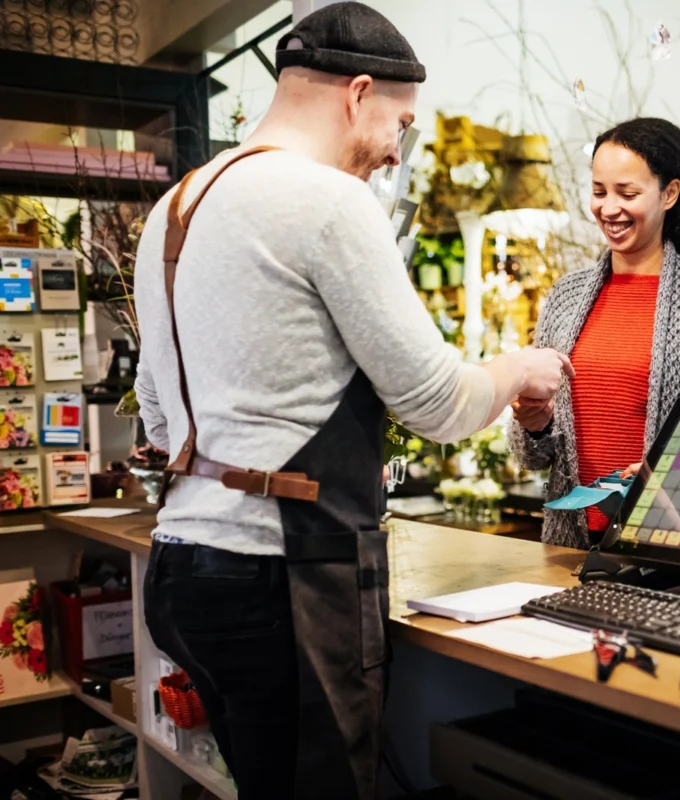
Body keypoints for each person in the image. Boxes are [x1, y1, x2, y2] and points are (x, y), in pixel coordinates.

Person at [133, 4, 571, 799]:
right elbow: (439, 405)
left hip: (181, 570)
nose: (397, 150)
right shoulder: (329, 202)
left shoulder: (177, 206)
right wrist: (519, 368)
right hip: (283, 580)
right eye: (400, 123)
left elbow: (160, 421)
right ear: (358, 93)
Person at [510, 117, 680, 550]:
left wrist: (672, 472)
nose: (608, 208)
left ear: (669, 193)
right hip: (570, 545)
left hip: (672, 547)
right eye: (599, 191)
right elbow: (532, 457)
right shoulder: (565, 297)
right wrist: (534, 425)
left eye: (627, 193)